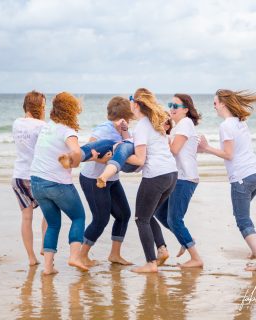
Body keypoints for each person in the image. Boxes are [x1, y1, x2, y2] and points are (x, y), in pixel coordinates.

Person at [113, 90, 178, 273]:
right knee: (148, 217)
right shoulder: (155, 123)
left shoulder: (142, 125)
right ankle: (162, 249)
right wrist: (125, 133)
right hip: (171, 174)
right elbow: (137, 146)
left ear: (137, 104)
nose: (130, 104)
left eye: (131, 100)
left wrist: (116, 154)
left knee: (141, 219)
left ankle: (151, 263)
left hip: (156, 176)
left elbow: (140, 160)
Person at [30, 92, 88, 275]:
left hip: (36, 182)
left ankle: (48, 267)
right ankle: (74, 256)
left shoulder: (47, 127)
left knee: (53, 223)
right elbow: (77, 152)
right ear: (72, 111)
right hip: (57, 184)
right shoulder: (68, 132)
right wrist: (75, 162)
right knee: (78, 217)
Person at [198, 89, 256, 271]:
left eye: (215, 103)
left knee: (242, 219)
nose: (214, 107)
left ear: (223, 104)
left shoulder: (226, 126)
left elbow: (228, 155)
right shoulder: (240, 122)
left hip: (241, 177)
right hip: (253, 172)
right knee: (244, 215)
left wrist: (206, 148)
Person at [78, 96, 135, 266]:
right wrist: (101, 161)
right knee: (101, 219)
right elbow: (87, 154)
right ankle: (82, 255)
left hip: (112, 179)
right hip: (93, 179)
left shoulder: (123, 131)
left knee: (124, 214)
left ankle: (114, 255)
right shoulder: (104, 129)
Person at [155, 94, 204, 268]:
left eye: (176, 105)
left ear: (186, 109)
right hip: (178, 177)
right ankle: (185, 239)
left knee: (175, 219)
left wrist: (159, 137)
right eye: (171, 105)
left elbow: (174, 149)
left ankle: (196, 258)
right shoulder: (179, 126)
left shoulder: (185, 123)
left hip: (186, 178)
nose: (172, 108)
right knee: (159, 212)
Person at [11, 90, 48, 266]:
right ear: (39, 107)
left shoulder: (16, 123)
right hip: (37, 175)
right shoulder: (42, 126)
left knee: (26, 218)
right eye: (44, 106)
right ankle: (44, 245)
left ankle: (31, 258)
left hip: (18, 176)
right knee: (50, 212)